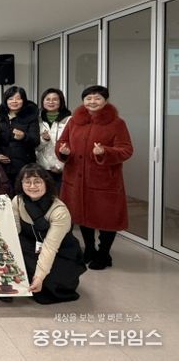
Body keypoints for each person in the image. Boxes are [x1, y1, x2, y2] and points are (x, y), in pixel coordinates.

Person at [56, 85, 133, 270]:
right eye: (88, 98)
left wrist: (104, 151)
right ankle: (89, 249)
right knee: (82, 215)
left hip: (104, 180)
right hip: (76, 178)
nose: (92, 102)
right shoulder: (74, 121)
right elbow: (62, 142)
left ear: (105, 100)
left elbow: (126, 150)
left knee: (107, 218)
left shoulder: (117, 123)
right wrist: (63, 151)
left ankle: (104, 253)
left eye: (97, 98)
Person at [12, 164, 87, 304]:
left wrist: (39, 277)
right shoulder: (17, 201)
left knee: (48, 288)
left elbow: (50, 247)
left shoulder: (59, 211)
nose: (32, 186)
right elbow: (15, 232)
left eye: (37, 181)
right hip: (32, 245)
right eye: (27, 182)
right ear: (21, 183)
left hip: (60, 251)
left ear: (46, 182)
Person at [0, 86, 40, 191]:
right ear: (6, 101)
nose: (14, 101)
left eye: (18, 98)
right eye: (10, 99)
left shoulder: (31, 117)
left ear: (23, 100)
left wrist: (24, 136)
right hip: (3, 167)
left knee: (23, 193)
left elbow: (36, 141)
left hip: (24, 165)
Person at [36, 88, 71, 189]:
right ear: (43, 102)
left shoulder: (70, 120)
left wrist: (60, 165)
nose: (51, 102)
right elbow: (35, 147)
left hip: (64, 169)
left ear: (61, 102)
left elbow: (73, 145)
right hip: (42, 168)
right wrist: (44, 139)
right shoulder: (37, 120)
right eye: (48, 99)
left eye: (55, 99)